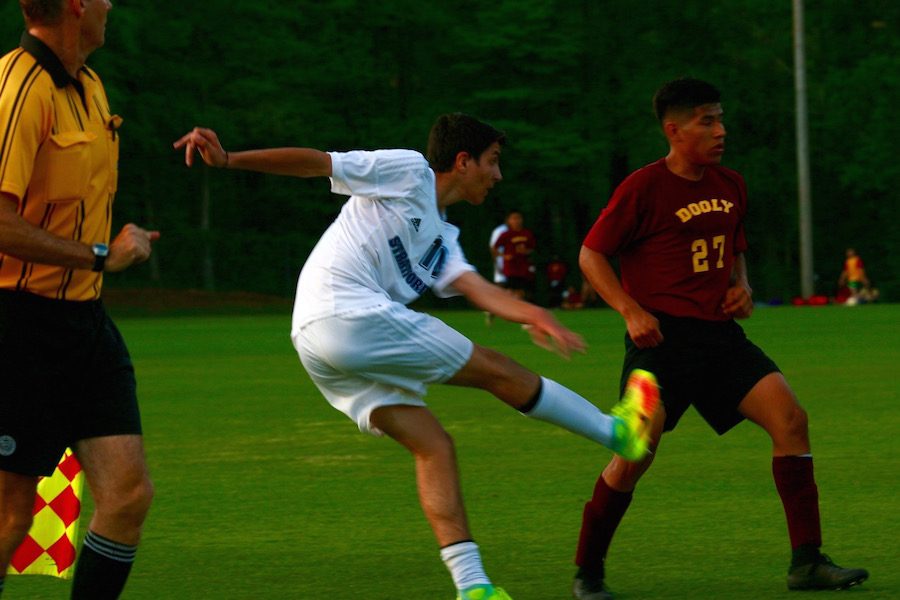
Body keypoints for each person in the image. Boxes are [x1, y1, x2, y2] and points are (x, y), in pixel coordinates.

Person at [174, 113, 660, 600]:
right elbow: (317, 164)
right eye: (492, 162)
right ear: (463, 161)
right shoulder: (409, 170)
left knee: (433, 446)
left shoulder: (442, 238)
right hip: (346, 312)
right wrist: (230, 159)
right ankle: (615, 431)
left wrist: (536, 314)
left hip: (315, 340)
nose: (498, 175)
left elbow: (475, 288)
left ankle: (474, 588)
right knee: (496, 369)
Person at [571, 78, 868, 599]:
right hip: (660, 343)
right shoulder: (643, 187)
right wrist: (629, 309)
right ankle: (588, 572)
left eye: (720, 118)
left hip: (720, 340)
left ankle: (807, 563)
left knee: (791, 421)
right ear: (674, 130)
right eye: (706, 120)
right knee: (635, 452)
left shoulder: (730, 184)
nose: (719, 130)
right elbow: (591, 254)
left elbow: (734, 249)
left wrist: (742, 286)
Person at [0, 1, 159, 598]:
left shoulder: (89, 85)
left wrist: (120, 245)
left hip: (84, 322)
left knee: (127, 496)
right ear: (74, 7)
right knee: (11, 515)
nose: (111, 4)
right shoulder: (17, 89)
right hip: (17, 322)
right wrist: (101, 254)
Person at [493, 210, 536, 301]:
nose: (517, 221)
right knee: (512, 289)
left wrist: (526, 251)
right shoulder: (506, 234)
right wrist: (504, 256)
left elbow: (532, 249)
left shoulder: (527, 233)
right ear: (509, 221)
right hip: (511, 266)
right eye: (514, 218)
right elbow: (495, 248)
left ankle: (508, 307)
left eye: (518, 218)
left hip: (523, 266)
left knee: (521, 290)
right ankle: (498, 305)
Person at [484, 215, 510, 324]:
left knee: (514, 289)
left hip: (514, 264)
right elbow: (493, 248)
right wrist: (497, 264)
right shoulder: (500, 230)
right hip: (502, 262)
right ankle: (490, 310)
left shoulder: (515, 231)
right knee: (500, 289)